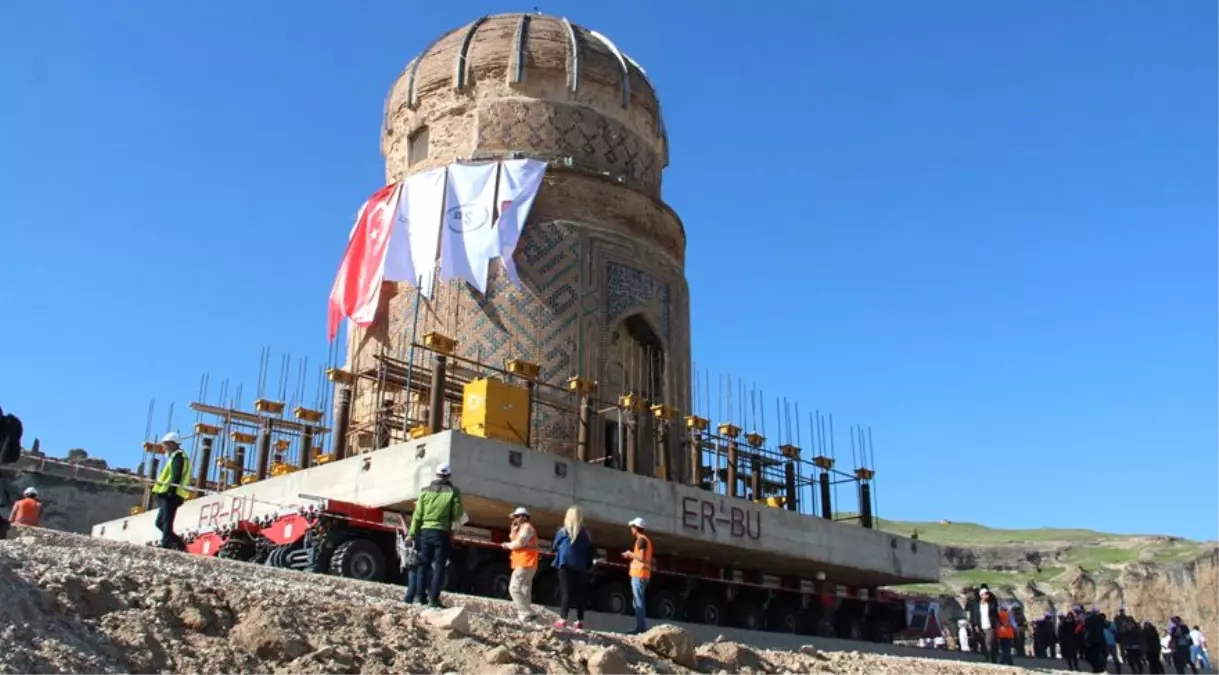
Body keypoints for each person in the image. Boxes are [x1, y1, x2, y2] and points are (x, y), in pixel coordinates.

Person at [405, 463, 464, 608]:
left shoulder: (425, 491)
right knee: (439, 566)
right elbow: (457, 514)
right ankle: (434, 599)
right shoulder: (453, 491)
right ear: (449, 475)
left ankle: (420, 596)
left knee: (422, 564)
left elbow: (417, 515)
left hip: (425, 532)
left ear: (436, 475)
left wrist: (411, 534)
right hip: (441, 533)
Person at [551, 505, 593, 630]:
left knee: (566, 593)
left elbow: (554, 546)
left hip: (565, 565)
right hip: (580, 566)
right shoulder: (585, 534)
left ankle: (563, 619)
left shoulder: (563, 532)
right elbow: (588, 548)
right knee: (580, 594)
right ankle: (579, 621)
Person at [151, 431, 191, 550]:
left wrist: (170, 491)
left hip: (171, 494)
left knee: (167, 520)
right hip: (168, 493)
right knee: (160, 522)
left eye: (166, 444)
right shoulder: (177, 456)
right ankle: (179, 544)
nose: (164, 447)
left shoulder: (178, 456)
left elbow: (176, 475)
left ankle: (166, 544)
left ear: (173, 444)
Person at [502, 506, 539, 622]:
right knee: (524, 591)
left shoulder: (527, 528)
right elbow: (516, 540)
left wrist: (507, 545)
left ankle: (526, 612)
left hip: (526, 562)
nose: (515, 520)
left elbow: (519, 543)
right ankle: (525, 618)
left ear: (523, 517)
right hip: (526, 562)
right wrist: (513, 530)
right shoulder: (523, 528)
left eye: (517, 517)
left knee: (514, 588)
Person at [621, 516, 652, 635]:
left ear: (636, 528)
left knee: (638, 601)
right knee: (638, 601)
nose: (631, 529)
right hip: (643, 574)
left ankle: (640, 627)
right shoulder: (644, 540)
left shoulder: (641, 540)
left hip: (640, 574)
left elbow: (642, 557)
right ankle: (640, 626)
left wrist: (630, 554)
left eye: (632, 527)